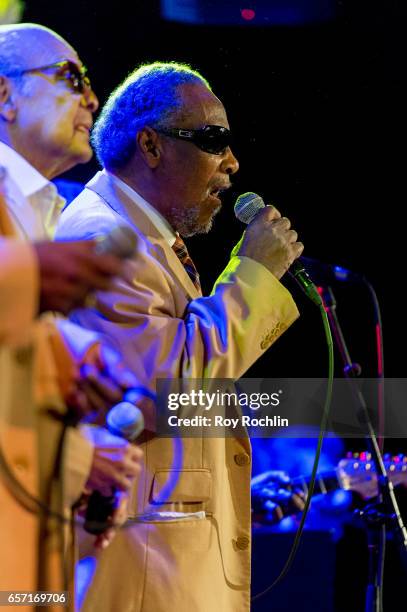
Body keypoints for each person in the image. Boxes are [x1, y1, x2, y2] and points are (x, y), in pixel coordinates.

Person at [56, 61, 303, 612]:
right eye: (214, 140)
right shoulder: (103, 240)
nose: (232, 164)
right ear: (150, 145)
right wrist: (254, 276)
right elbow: (161, 390)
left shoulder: (141, 238)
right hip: (140, 581)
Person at [0, 23, 143, 601]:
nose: (92, 98)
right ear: (5, 96)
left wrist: (74, 370)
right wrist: (83, 456)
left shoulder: (46, 212)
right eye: (71, 77)